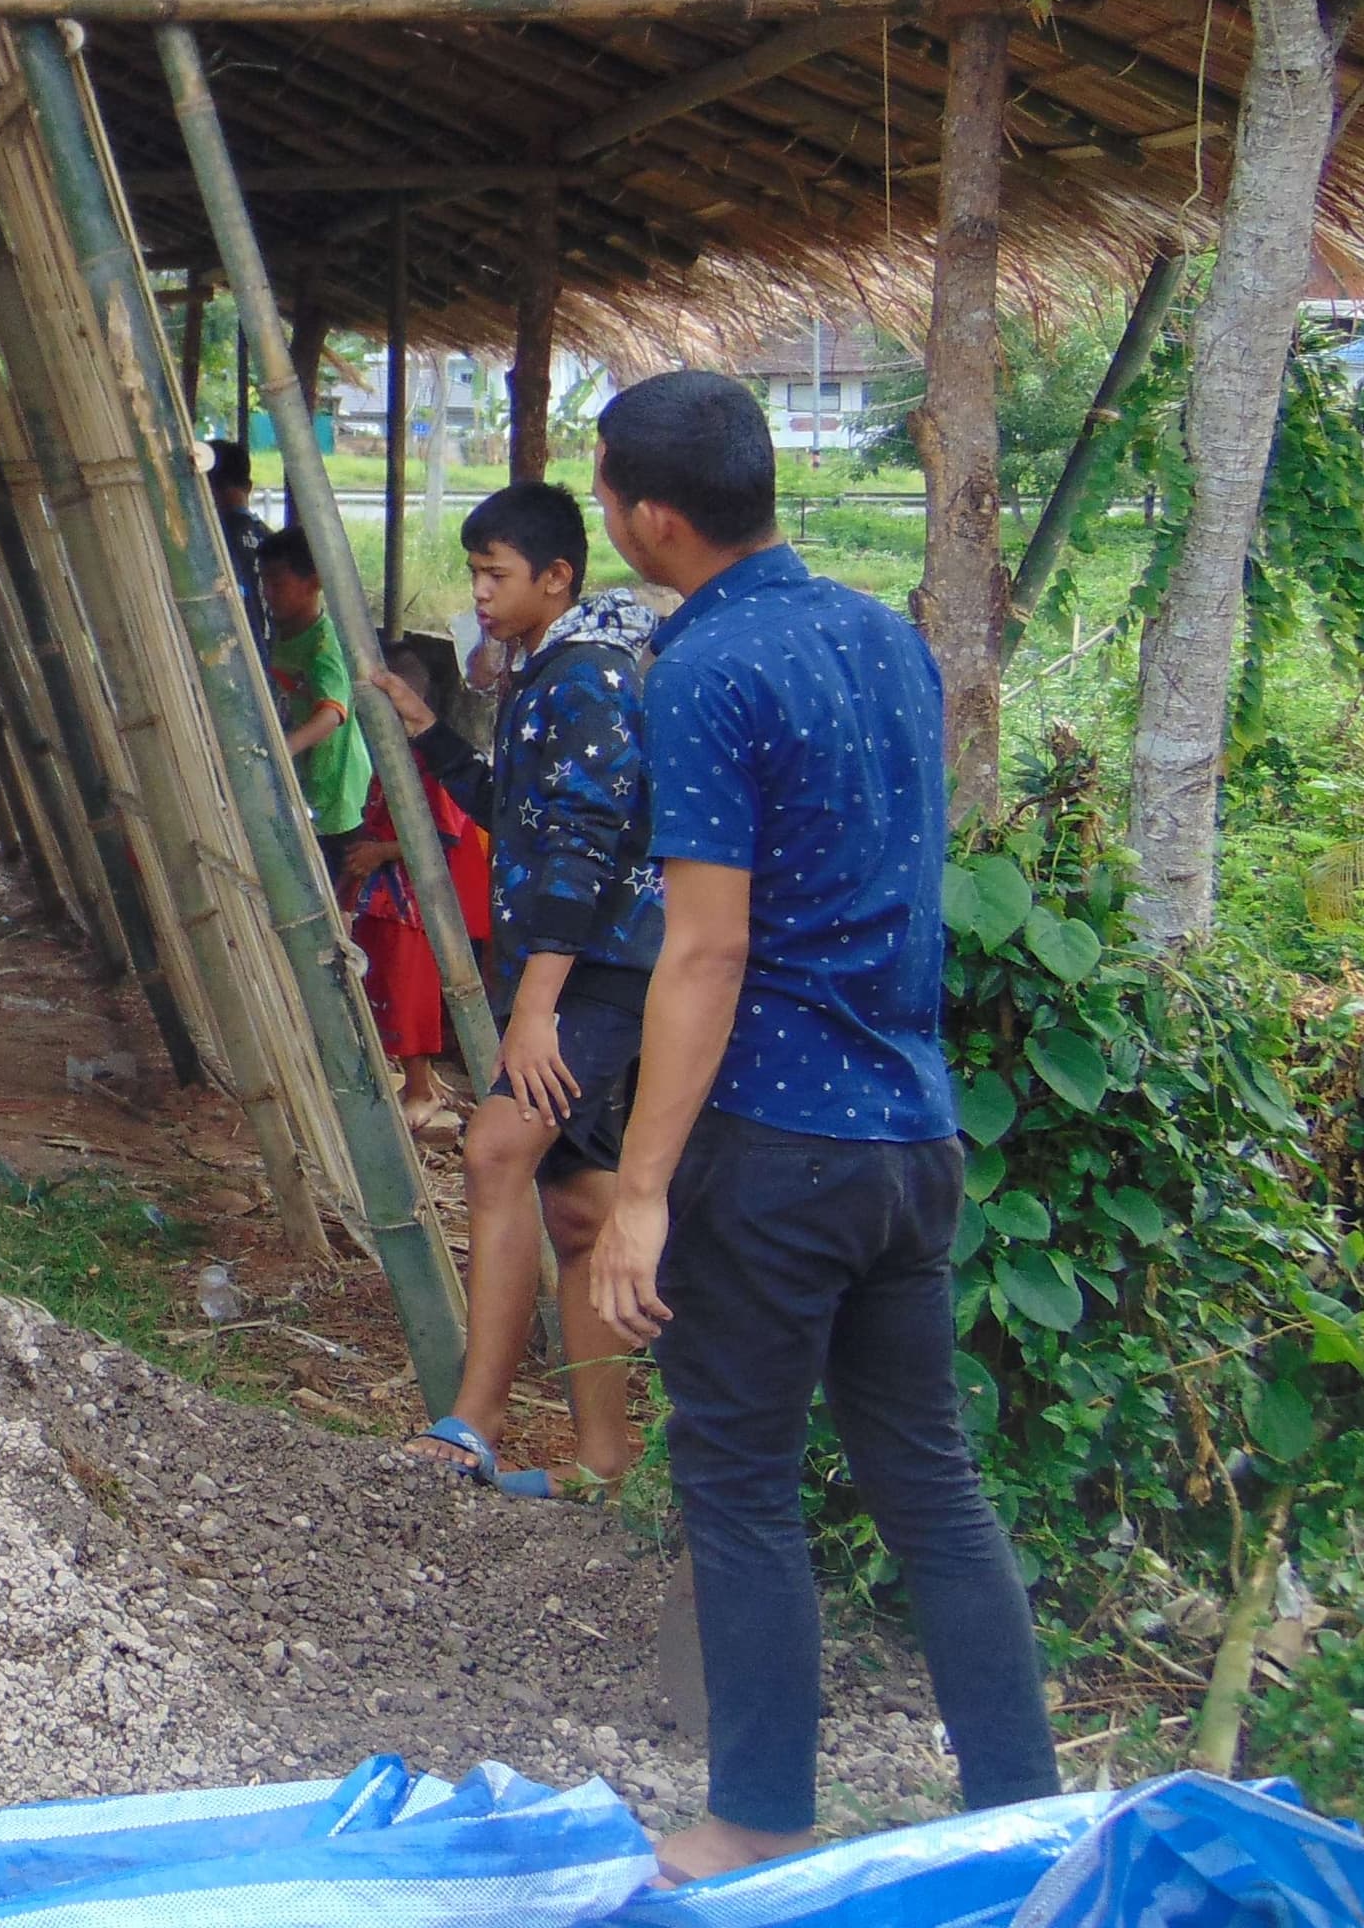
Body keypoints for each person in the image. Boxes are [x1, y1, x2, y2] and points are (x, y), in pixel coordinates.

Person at [582, 371, 1056, 1883]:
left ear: (651, 517)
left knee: (736, 1479)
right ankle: (1023, 1808)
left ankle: (758, 1815)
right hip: (910, 1137)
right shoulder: (885, 638)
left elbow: (707, 951)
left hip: (777, 1143)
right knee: (932, 1483)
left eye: (605, 494)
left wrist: (642, 1186)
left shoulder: (702, 671)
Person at [372, 477, 664, 1495]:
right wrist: (428, 731)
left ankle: (472, 1422)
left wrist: (536, 1006)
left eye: (496, 576)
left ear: (557, 577)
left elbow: (581, 848)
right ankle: (604, 1462)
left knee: (495, 1151)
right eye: (476, 575)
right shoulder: (551, 671)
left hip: (597, 972)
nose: (481, 596)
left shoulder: (588, 676)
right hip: (578, 970)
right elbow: (518, 807)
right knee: (576, 1213)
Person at [339, 632, 493, 1139]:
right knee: (378, 984)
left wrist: (380, 852)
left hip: (414, 900)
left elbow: (446, 831)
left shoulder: (435, 758)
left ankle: (423, 1089)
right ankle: (405, 1083)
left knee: (410, 993)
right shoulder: (390, 752)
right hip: (380, 895)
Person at [259, 527, 372, 873]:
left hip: (333, 790)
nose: (267, 593)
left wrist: (281, 749)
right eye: (264, 582)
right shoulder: (279, 633)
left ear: (314, 583)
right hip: (303, 782)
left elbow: (331, 714)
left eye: (278, 584)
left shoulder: (325, 646)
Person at [208, 439, 271, 652]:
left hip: (230, 650)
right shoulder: (269, 538)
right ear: (249, 486)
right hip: (267, 649)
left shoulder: (210, 540)